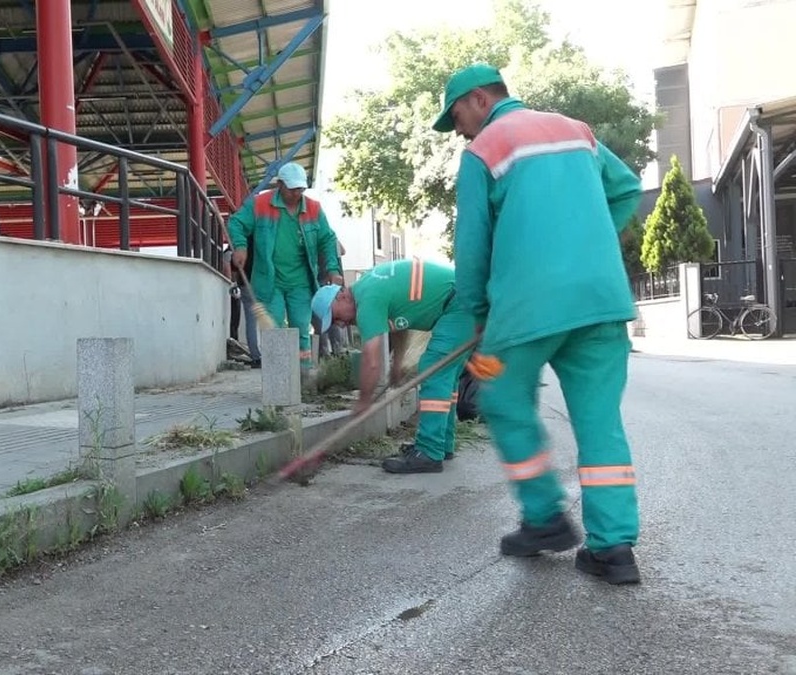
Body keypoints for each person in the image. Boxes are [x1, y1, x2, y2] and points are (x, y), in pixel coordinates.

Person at [434, 63, 644, 584]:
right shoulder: (579, 132)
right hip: (601, 301)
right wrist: (585, 246)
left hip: (525, 306)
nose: (458, 127)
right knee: (600, 423)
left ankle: (545, 515)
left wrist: (480, 311)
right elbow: (626, 189)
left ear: (480, 99)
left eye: (457, 114)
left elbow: (473, 249)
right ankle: (613, 550)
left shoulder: (484, 150)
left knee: (500, 397)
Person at [311, 258, 475, 474]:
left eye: (336, 317)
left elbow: (371, 360)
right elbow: (400, 325)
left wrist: (364, 400)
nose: (340, 325)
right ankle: (442, 445)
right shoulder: (370, 286)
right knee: (446, 375)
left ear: (341, 295)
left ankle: (429, 452)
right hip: (465, 300)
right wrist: (397, 365)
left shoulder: (367, 300)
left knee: (433, 369)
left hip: (460, 304)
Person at [228, 162, 343, 372]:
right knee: (275, 331)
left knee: (301, 328)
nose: (297, 193)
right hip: (269, 281)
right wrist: (241, 247)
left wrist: (333, 269)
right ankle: (279, 380)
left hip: (301, 283)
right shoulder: (259, 203)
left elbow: (328, 238)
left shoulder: (314, 209)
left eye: (300, 189)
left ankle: (304, 376)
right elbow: (236, 223)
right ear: (279, 184)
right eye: (292, 189)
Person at [222, 242, 261, 368]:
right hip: (262, 285)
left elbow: (228, 268)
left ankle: (256, 356)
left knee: (251, 323)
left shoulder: (233, 249)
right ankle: (272, 353)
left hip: (245, 286)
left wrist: (233, 283)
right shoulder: (258, 243)